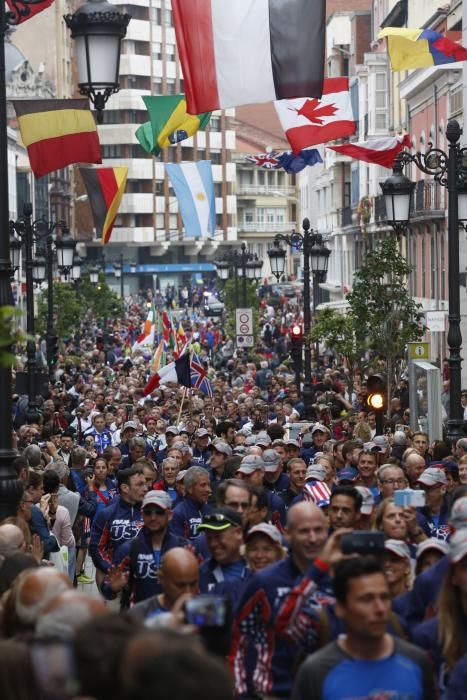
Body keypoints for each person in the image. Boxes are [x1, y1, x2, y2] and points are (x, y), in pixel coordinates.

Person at [291, 557, 437, 700]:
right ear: (340, 607)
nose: (380, 609)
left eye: (384, 598)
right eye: (366, 599)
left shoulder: (416, 662)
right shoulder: (316, 671)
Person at [231, 502, 333, 698]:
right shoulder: (264, 581)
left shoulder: (339, 578)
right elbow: (240, 640)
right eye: (304, 531)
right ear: (288, 534)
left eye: (318, 530)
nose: (312, 538)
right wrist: (241, 692)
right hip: (275, 692)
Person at [102, 489, 190, 607]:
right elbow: (107, 589)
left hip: (174, 619)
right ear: (142, 514)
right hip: (137, 621)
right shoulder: (128, 549)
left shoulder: (184, 548)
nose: (153, 517)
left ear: (169, 515)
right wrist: (112, 588)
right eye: (148, 512)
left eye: (159, 512)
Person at [90, 466, 146, 581]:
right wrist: (113, 569)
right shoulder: (107, 514)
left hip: (143, 579)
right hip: (115, 579)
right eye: (139, 485)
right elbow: (97, 548)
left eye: (145, 484)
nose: (145, 489)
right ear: (125, 488)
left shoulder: (150, 513)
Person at [128, 546, 199, 622]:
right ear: (161, 578)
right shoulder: (139, 615)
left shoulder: (205, 613)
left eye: (193, 584)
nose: (187, 592)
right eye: (180, 585)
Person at [197, 507, 248, 599]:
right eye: (209, 538)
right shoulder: (202, 573)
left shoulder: (257, 567)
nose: (213, 544)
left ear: (238, 533)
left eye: (218, 537)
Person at [170, 466, 212, 539]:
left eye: (209, 485)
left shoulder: (210, 511)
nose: (208, 490)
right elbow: (177, 545)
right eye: (203, 485)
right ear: (190, 489)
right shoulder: (178, 514)